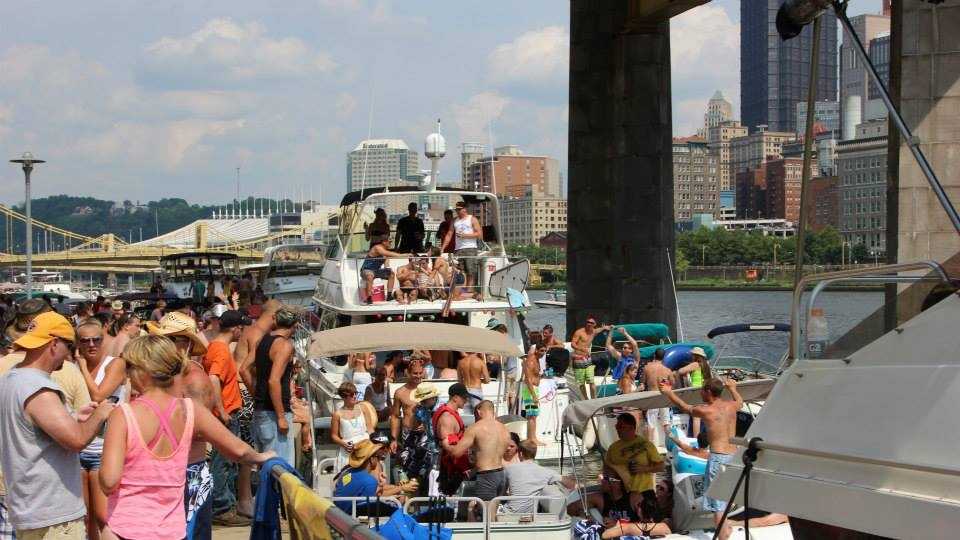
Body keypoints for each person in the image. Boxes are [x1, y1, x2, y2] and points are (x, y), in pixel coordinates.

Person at [99, 336, 273, 540]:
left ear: (142, 371)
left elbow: (109, 481)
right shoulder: (191, 410)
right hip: (171, 530)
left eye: (129, 367)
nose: (127, 374)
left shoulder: (123, 415)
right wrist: (262, 456)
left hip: (126, 528)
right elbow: (239, 451)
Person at [0, 312, 115, 540]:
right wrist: (100, 414)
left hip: (29, 505)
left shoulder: (10, 379)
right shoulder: (38, 388)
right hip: (51, 512)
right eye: (69, 344)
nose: (73, 352)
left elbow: (31, 428)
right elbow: (76, 441)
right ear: (54, 344)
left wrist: (73, 415)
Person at [660, 377, 742, 531]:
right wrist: (733, 388)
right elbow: (740, 402)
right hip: (733, 457)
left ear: (709, 391)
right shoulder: (732, 406)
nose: (700, 392)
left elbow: (685, 407)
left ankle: (722, 535)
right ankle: (724, 531)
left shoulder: (706, 410)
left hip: (718, 458)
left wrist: (669, 393)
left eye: (702, 389)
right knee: (726, 500)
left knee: (718, 507)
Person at [76, 320, 128, 540]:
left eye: (96, 339)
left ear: (104, 338)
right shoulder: (68, 365)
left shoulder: (115, 364)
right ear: (77, 342)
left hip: (104, 450)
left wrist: (81, 368)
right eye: (84, 340)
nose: (91, 345)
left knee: (104, 516)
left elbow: (98, 395)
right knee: (83, 516)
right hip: (78, 449)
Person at [203, 310, 251, 524]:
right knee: (224, 461)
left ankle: (225, 504)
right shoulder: (222, 350)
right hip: (226, 413)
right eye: (243, 328)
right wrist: (222, 410)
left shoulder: (214, 346)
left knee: (225, 460)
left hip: (224, 412)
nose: (244, 333)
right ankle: (222, 508)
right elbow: (214, 378)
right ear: (236, 329)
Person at [252, 308, 298, 464]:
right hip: (274, 414)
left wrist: (257, 394)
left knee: (266, 467)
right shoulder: (284, 346)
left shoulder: (261, 341)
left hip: (260, 410)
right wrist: (281, 417)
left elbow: (244, 369)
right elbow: (273, 380)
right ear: (295, 325)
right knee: (282, 469)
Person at [441, 400, 509, 504]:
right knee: (493, 513)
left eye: (475, 416)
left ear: (478, 412)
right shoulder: (504, 428)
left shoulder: (476, 428)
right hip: (502, 474)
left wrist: (445, 444)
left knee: (485, 514)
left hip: (486, 476)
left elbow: (456, 453)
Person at [333, 440, 414, 515]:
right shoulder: (369, 480)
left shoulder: (346, 473)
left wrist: (382, 486)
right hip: (353, 517)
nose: (379, 459)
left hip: (339, 516)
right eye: (377, 457)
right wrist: (398, 491)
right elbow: (370, 506)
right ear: (371, 459)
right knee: (398, 502)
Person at [603, 413, 664, 512]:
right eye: (616, 426)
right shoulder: (613, 448)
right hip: (622, 494)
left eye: (620, 426)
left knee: (650, 523)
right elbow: (606, 469)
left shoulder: (646, 445)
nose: (617, 429)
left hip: (644, 492)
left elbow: (661, 466)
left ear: (631, 428)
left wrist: (644, 469)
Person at [502, 440, 575, 514]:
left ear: (520, 454)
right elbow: (570, 484)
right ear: (535, 454)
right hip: (530, 514)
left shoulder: (509, 469)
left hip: (509, 513)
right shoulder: (546, 472)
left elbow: (501, 491)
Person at [432, 383, 472, 495]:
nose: (466, 400)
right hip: (452, 468)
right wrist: (464, 466)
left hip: (454, 465)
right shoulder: (447, 417)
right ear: (455, 397)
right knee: (453, 503)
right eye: (464, 397)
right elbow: (450, 445)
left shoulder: (449, 413)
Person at [332, 381, 372, 471]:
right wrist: (344, 444)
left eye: (355, 393)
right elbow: (334, 436)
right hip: (348, 453)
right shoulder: (337, 414)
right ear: (344, 397)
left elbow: (370, 429)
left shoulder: (363, 408)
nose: (354, 396)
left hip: (365, 449)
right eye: (351, 394)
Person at [643, 348, 676, 442]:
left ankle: (650, 446)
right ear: (664, 357)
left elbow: (642, 383)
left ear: (654, 355)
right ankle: (672, 443)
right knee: (666, 424)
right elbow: (673, 384)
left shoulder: (647, 367)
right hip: (664, 397)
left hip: (653, 396)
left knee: (651, 424)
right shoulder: (667, 370)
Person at [676, 346, 712, 435]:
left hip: (697, 392)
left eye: (693, 355)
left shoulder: (696, 364)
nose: (691, 357)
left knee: (696, 417)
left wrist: (687, 372)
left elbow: (680, 371)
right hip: (705, 391)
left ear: (696, 356)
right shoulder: (706, 365)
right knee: (703, 416)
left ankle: (696, 439)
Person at [360, 236, 402, 304]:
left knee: (391, 274)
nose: (391, 243)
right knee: (370, 275)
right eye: (389, 242)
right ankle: (369, 298)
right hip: (367, 270)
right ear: (384, 242)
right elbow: (390, 254)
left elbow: (386, 265)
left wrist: (388, 270)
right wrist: (403, 255)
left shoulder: (385, 252)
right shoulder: (377, 248)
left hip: (376, 271)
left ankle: (389, 295)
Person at [570, 317, 599, 399]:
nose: (589, 323)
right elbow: (573, 344)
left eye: (591, 323)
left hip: (587, 359)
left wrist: (606, 328)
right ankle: (586, 400)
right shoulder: (579, 332)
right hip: (578, 359)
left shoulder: (593, 332)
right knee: (581, 383)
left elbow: (600, 329)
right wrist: (580, 348)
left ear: (594, 325)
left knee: (591, 381)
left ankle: (594, 399)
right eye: (588, 322)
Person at [521, 344, 543, 445]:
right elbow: (528, 379)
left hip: (534, 389)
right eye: (541, 351)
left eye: (545, 351)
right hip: (530, 390)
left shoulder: (537, 359)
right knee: (531, 415)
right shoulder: (531, 360)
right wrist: (533, 395)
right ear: (536, 350)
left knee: (533, 415)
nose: (543, 353)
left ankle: (532, 438)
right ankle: (531, 439)